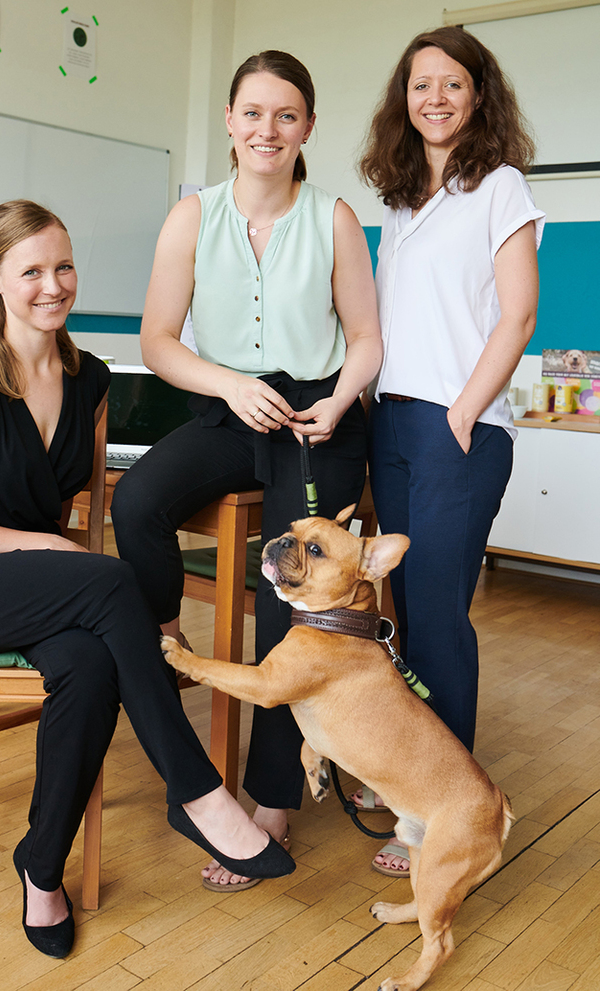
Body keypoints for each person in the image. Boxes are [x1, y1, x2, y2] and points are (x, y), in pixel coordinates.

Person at [0, 200, 295, 958]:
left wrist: (70, 560)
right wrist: (54, 551)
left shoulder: (90, 379)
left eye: (63, 266)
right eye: (31, 269)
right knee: (108, 582)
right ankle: (198, 792)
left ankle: (40, 868)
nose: (52, 284)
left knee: (90, 661)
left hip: (30, 583)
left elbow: (96, 509)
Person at [111, 52, 382, 890]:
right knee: (141, 499)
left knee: (288, 598)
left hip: (318, 420)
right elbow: (159, 340)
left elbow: (366, 338)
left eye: (286, 115)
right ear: (229, 121)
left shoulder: (333, 217)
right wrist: (230, 383)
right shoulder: (191, 217)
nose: (268, 130)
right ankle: (163, 636)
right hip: (231, 406)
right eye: (253, 113)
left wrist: (338, 401)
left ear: (306, 127)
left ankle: (272, 800)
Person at [357, 26, 544, 876]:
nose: (433, 97)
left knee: (435, 618)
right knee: (398, 615)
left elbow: (515, 314)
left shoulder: (498, 185)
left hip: (453, 426)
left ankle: (447, 811)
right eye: (418, 84)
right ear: (404, 98)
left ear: (478, 96)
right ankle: (411, 775)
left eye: (451, 85)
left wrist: (465, 410)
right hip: (391, 420)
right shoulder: (399, 199)